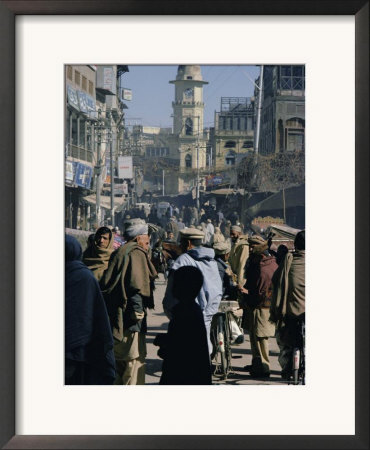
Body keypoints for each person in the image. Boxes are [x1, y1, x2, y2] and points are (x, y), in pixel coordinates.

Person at [100, 220, 158, 385]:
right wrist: (138, 314)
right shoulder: (136, 253)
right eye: (146, 240)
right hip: (131, 320)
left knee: (119, 366)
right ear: (139, 238)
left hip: (117, 317)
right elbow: (136, 287)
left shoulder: (121, 251)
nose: (148, 244)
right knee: (133, 365)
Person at [65, 235, 116, 385]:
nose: (101, 241)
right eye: (99, 238)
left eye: (106, 238)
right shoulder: (85, 276)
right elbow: (97, 315)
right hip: (80, 348)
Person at [163, 228, 223, 354]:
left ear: (188, 244)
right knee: (204, 346)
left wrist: (171, 312)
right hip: (207, 313)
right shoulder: (211, 260)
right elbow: (217, 290)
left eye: (181, 243)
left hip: (185, 315)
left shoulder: (182, 260)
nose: (179, 246)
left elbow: (171, 294)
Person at [158, 266, 212, 385]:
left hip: (183, 376)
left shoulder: (184, 312)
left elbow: (180, 349)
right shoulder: (192, 310)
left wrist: (165, 343)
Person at [241, 235, 278, 378]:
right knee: (255, 338)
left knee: (261, 340)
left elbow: (260, 293)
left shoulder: (265, 268)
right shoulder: (263, 263)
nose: (249, 250)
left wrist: (245, 291)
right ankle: (257, 365)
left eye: (252, 247)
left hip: (262, 308)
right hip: (258, 307)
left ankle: (264, 368)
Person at [270, 230, 305, 379]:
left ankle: (287, 368)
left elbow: (275, 280)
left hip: (289, 312)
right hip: (305, 314)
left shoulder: (288, 260)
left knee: (285, 340)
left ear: (296, 245)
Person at [213, 242, 244, 344]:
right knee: (232, 312)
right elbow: (229, 285)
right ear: (226, 255)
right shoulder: (224, 268)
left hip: (211, 299)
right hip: (222, 298)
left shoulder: (211, 264)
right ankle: (236, 334)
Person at [228, 225, 249, 289]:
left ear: (239, 234)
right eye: (230, 234)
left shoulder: (243, 245)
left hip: (240, 280)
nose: (231, 236)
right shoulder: (236, 244)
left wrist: (240, 283)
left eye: (233, 234)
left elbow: (242, 264)